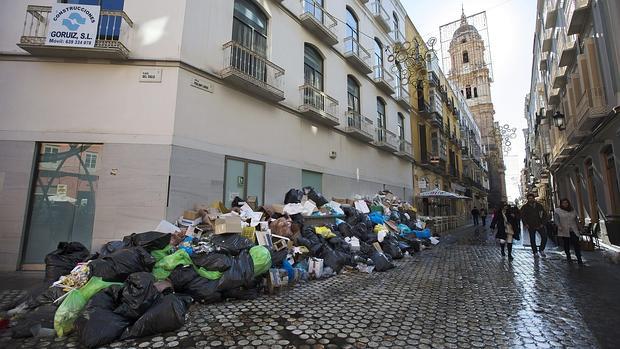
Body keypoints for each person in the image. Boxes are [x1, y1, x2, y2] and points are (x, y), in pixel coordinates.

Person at [553, 198, 584, 265]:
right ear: (561, 204)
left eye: (566, 203)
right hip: (564, 229)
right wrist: (559, 226)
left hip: (573, 229)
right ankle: (568, 256)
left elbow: (576, 220)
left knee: (576, 243)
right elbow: (556, 219)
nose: (565, 204)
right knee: (566, 244)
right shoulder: (558, 211)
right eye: (563, 203)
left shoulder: (572, 210)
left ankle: (579, 258)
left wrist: (580, 228)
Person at [520, 193, 548, 257]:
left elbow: (544, 215)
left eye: (531, 198)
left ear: (534, 198)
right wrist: (525, 224)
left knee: (544, 237)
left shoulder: (539, 206)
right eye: (529, 198)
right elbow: (522, 216)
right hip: (531, 225)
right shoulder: (525, 207)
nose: (530, 199)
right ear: (527, 199)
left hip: (539, 224)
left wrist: (543, 223)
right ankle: (535, 252)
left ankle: (541, 249)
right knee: (532, 239)